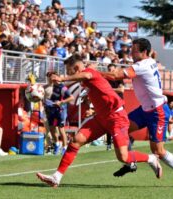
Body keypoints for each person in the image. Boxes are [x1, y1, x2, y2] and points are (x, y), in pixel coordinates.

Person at [36, 53, 162, 188]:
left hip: (116, 118)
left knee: (123, 157)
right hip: (101, 117)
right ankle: (56, 177)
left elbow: (86, 75)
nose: (67, 73)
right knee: (76, 140)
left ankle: (151, 159)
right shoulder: (84, 79)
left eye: (69, 70)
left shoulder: (88, 72)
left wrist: (63, 78)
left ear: (77, 67)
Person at [101, 38, 173, 188]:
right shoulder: (148, 61)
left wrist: (92, 73)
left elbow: (116, 76)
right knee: (122, 127)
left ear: (144, 52)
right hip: (145, 109)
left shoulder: (142, 65)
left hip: (158, 112)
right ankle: (131, 163)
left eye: (134, 50)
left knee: (158, 151)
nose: (131, 52)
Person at [45, 72, 74, 155]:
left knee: (61, 129)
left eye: (54, 77)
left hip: (61, 110)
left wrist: (61, 102)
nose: (52, 78)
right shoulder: (49, 87)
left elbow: (72, 97)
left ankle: (64, 147)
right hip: (51, 110)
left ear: (57, 77)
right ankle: (57, 144)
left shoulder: (63, 88)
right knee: (51, 128)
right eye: (51, 77)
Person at [106, 63, 125, 151]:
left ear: (115, 70)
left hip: (120, 104)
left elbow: (121, 89)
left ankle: (122, 142)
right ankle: (109, 143)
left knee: (121, 123)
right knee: (109, 123)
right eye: (109, 70)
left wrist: (109, 90)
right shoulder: (106, 80)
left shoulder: (119, 79)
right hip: (110, 104)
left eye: (112, 70)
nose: (111, 71)